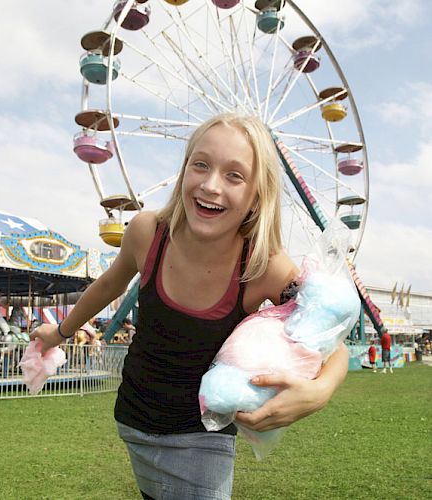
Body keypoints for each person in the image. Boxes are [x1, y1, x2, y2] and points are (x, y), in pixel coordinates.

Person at [31, 113, 349, 500]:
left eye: (234, 176)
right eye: (201, 164)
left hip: (203, 435)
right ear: (184, 171)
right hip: (134, 417)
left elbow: (328, 335)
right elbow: (109, 283)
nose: (211, 185)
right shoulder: (147, 232)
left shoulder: (262, 264)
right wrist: (60, 332)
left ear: (257, 195)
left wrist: (321, 392)